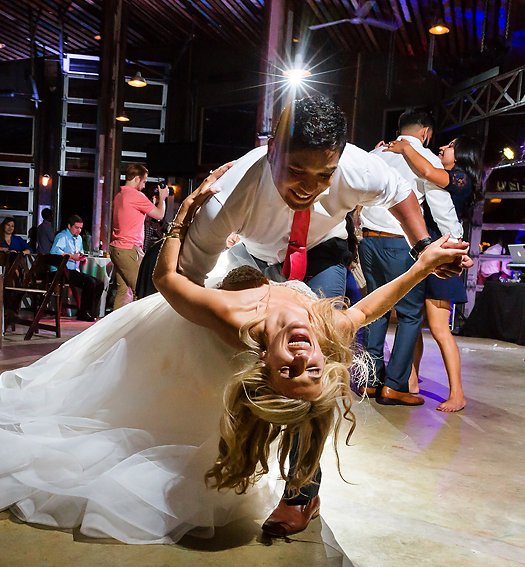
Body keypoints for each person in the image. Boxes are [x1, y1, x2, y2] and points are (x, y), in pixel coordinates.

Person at [0, 164, 469, 545]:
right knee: (308, 397)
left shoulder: (233, 319)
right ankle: (305, 487)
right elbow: (372, 307)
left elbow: (168, 284)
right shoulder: (324, 328)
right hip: (256, 261)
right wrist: (425, 260)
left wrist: (181, 215)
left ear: (265, 364)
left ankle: (302, 491)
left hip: (180, 320)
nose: (301, 357)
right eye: (312, 368)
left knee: (135, 384)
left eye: (287, 370)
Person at [177, 96, 471, 538]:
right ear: (272, 147)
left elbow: (400, 192)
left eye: (324, 175)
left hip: (324, 254)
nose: (308, 188)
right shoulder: (230, 196)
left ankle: (302, 492)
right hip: (254, 261)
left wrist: (422, 246)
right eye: (296, 172)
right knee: (239, 360)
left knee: (318, 365)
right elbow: (186, 280)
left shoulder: (356, 166)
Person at [358, 109, 464, 407]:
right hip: (401, 244)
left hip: (368, 242)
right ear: (426, 132)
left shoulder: (375, 154)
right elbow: (441, 206)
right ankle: (395, 385)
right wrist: (455, 244)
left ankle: (370, 379)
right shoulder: (424, 158)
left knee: (374, 310)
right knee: (409, 314)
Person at [385, 134, 484, 412]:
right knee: (412, 322)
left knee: (440, 330)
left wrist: (405, 147)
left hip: (446, 258)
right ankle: (411, 383)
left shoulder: (460, 178)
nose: (443, 147)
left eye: (451, 145)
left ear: (464, 153)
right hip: (427, 257)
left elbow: (426, 170)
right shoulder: (440, 177)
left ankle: (458, 393)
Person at [109, 164, 169, 310]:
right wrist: (163, 198)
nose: (144, 185)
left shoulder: (119, 196)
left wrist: (152, 203)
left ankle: (116, 330)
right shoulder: (136, 195)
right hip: (129, 249)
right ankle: (139, 331)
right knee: (142, 291)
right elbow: (160, 215)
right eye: (143, 181)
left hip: (116, 249)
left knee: (123, 293)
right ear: (136, 178)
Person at [50, 215, 102, 322]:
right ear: (69, 226)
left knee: (99, 283)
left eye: (81, 228)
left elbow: (79, 252)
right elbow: (55, 252)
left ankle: (91, 312)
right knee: (89, 282)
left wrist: (81, 258)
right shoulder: (62, 236)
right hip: (61, 271)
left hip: (74, 270)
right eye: (76, 228)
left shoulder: (79, 238)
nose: (79, 230)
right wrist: (71, 256)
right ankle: (83, 313)